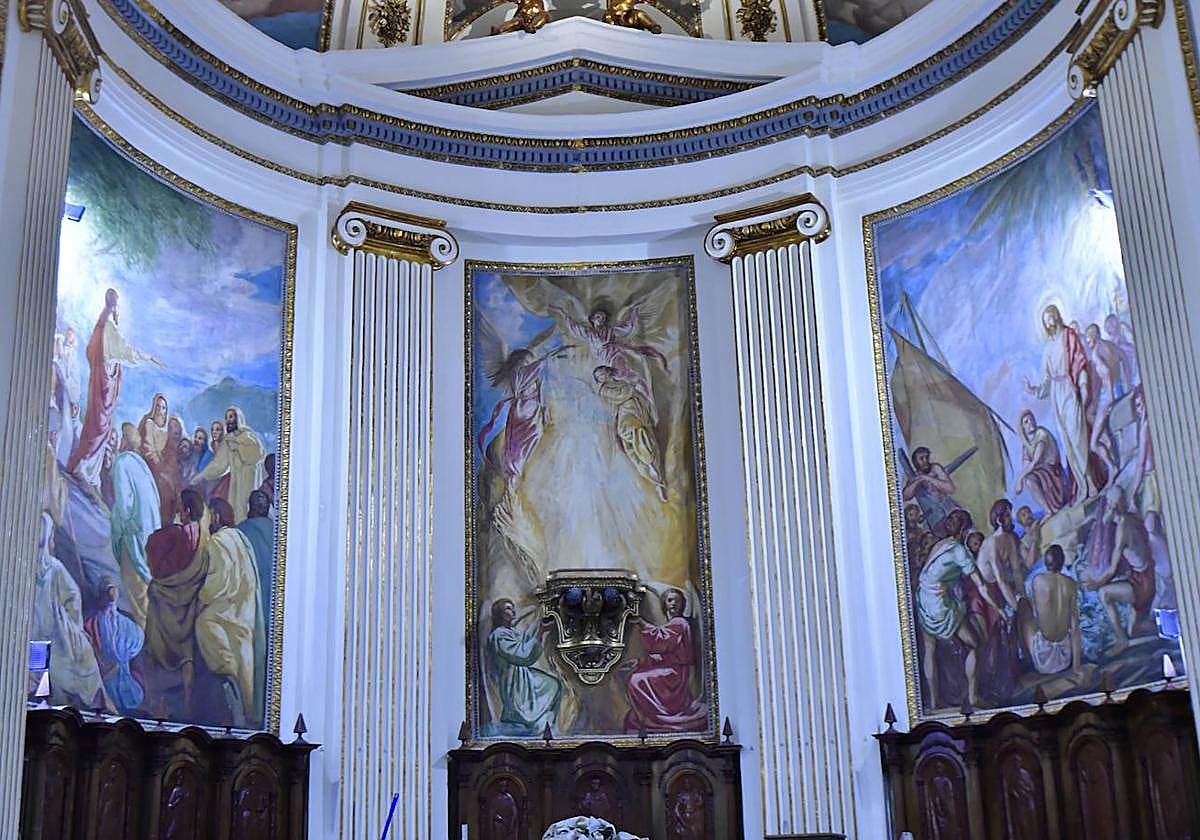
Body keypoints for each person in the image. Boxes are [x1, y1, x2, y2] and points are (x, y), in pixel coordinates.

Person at [66, 288, 164, 489]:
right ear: (114, 305)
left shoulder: (101, 326)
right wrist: (149, 357)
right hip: (103, 388)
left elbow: (92, 352)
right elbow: (126, 352)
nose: (118, 311)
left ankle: (86, 469)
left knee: (95, 426)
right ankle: (84, 468)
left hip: (100, 385)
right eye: (117, 306)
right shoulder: (109, 328)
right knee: (98, 428)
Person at [916, 509, 1003, 708]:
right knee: (974, 643)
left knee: (930, 648)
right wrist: (997, 608)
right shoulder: (959, 551)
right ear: (963, 529)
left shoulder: (940, 544)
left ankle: (934, 702)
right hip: (938, 602)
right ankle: (973, 696)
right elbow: (981, 585)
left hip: (923, 597)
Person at [1024, 304, 1105, 504]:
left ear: (1057, 316)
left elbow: (1079, 361)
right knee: (1068, 442)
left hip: (1069, 389)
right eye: (1045, 321)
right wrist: (1033, 390)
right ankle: (1083, 486)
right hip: (1056, 395)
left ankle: (1090, 481)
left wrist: (1083, 385)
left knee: (1077, 437)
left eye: (1050, 317)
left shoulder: (1068, 336)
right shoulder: (1047, 349)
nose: (1049, 323)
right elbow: (1046, 380)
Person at [196, 498, 265, 727]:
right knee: (244, 657)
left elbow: (220, 580)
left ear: (216, 515)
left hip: (226, 609)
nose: (207, 521)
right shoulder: (239, 537)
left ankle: (227, 676)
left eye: (208, 515)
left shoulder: (219, 540)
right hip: (243, 609)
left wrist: (201, 595)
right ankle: (247, 713)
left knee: (204, 623)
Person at [31, 513, 110, 710]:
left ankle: (96, 704)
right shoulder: (25, 570)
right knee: (39, 671)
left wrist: (72, 623)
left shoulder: (54, 568)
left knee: (84, 658)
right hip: (36, 636)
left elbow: (73, 594)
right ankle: (42, 704)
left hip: (59, 632)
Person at [144, 489, 210, 718]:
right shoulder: (203, 538)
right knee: (186, 655)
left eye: (180, 505)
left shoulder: (176, 534)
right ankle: (189, 705)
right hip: (189, 605)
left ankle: (152, 700)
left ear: (187, 510)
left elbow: (157, 558)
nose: (177, 508)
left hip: (166, 602)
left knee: (152, 647)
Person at [623, 588, 707, 732]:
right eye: (670, 600)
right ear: (664, 604)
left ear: (682, 605)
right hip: (669, 669)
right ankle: (652, 716)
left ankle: (658, 718)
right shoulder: (672, 624)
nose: (674, 604)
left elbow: (662, 640)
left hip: (675, 674)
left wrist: (641, 622)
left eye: (677, 601)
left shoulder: (680, 622)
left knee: (636, 681)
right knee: (635, 677)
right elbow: (664, 655)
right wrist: (639, 662)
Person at [477, 346, 563, 487]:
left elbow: (541, 391)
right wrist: (544, 359)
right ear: (518, 361)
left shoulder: (533, 373)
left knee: (537, 433)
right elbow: (529, 373)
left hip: (534, 410)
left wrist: (544, 409)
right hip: (522, 410)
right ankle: (515, 469)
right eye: (527, 362)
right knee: (524, 439)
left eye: (530, 362)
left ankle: (519, 468)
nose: (529, 364)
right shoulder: (517, 374)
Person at [1088, 486, 1155, 653]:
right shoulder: (1131, 517)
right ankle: (1143, 629)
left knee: (1104, 593)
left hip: (1142, 582)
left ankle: (1121, 640)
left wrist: (1096, 584)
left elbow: (1112, 569)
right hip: (1145, 575)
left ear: (1113, 505)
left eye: (1109, 504)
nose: (1106, 507)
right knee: (1133, 631)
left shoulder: (1122, 529)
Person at [487, 598, 561, 734]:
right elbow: (522, 654)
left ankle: (546, 723)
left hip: (524, 678)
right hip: (514, 683)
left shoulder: (512, 632)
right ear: (500, 614)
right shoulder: (499, 636)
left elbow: (526, 639)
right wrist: (540, 631)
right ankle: (534, 724)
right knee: (548, 687)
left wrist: (540, 624)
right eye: (508, 609)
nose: (513, 611)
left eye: (513, 607)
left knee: (553, 684)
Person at [594, 365, 668, 502]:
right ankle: (650, 465)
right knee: (633, 433)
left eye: (602, 373)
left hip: (639, 412)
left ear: (607, 371)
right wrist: (632, 387)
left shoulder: (621, 382)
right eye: (599, 377)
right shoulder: (604, 390)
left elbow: (638, 395)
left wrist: (647, 408)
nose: (602, 377)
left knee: (650, 441)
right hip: (626, 415)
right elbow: (623, 395)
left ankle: (658, 481)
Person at [108, 446, 162, 627]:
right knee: (145, 588)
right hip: (149, 532)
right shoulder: (137, 463)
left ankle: (146, 633)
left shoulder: (120, 464)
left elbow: (125, 507)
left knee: (136, 590)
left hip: (133, 536)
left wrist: (116, 525)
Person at [1016, 544, 1082, 677]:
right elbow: (1075, 627)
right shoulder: (1071, 584)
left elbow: (1037, 611)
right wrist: (1076, 666)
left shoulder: (1037, 580)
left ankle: (1027, 658)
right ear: (1062, 562)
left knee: (1022, 605)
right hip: (1065, 657)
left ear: (1045, 561)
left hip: (1043, 659)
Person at [84, 578, 146, 712]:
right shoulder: (92, 623)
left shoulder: (126, 624)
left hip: (120, 673)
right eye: (106, 594)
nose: (108, 598)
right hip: (105, 675)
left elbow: (135, 643)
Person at [196, 407, 265, 525]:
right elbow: (219, 464)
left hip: (249, 483)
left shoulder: (249, 436)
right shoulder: (228, 440)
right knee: (236, 512)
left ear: (238, 418)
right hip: (236, 486)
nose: (228, 420)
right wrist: (202, 475)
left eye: (231, 417)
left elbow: (258, 454)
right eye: (226, 418)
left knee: (248, 509)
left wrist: (239, 448)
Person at [1084, 323, 1120, 480]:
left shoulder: (1096, 353)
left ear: (1093, 337)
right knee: (1089, 413)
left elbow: (1105, 372)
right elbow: (1123, 361)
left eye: (1088, 340)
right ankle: (1105, 437)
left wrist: (1110, 397)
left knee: (1093, 445)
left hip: (1109, 395)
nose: (1088, 344)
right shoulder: (1110, 345)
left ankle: (1112, 468)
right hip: (1117, 387)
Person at [1014, 410, 1067, 515]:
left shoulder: (1041, 434)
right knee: (1029, 480)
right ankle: (1048, 510)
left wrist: (1019, 480)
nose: (1030, 422)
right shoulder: (1026, 444)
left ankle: (1053, 505)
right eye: (1026, 422)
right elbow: (1026, 466)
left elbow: (1035, 461)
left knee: (1028, 478)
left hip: (1053, 473)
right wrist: (1022, 478)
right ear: (1022, 428)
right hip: (1043, 473)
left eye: (1031, 419)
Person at [903, 446, 960, 537]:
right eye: (921, 459)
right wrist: (918, 480)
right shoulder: (915, 476)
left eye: (927, 457)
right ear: (915, 462)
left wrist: (928, 478)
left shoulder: (935, 468)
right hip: (935, 519)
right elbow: (905, 496)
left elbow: (950, 489)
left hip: (949, 510)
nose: (925, 461)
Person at [237, 489, 275, 621]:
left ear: (250, 507)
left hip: (249, 603)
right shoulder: (278, 531)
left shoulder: (240, 531)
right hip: (275, 601)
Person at [1016, 506, 1044, 574]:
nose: (1028, 515)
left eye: (1029, 512)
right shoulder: (1023, 543)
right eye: (1024, 515)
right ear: (1020, 521)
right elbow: (1029, 565)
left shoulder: (1040, 524)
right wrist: (1034, 540)